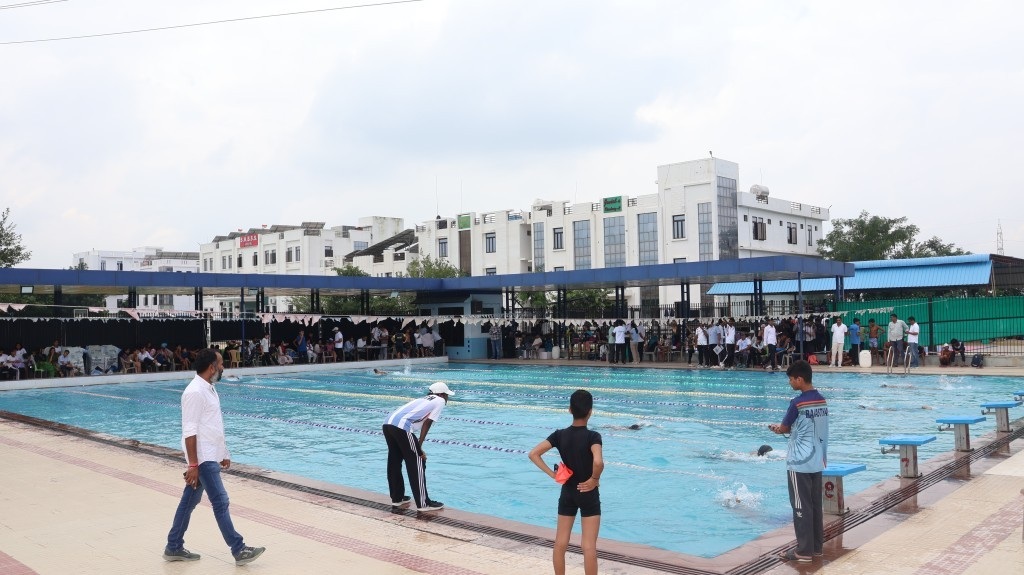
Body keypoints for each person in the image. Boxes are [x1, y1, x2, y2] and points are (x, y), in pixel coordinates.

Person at [163, 349, 265, 566]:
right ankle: (238, 549)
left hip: (209, 454)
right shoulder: (194, 392)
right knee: (220, 501)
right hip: (202, 459)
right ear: (211, 367)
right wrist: (193, 464)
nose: (223, 367)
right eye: (221, 364)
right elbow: (190, 431)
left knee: (188, 502)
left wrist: (223, 453)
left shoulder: (209, 389)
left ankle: (173, 546)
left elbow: (212, 426)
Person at [528, 389, 603, 575]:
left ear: (570, 410)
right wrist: (594, 479)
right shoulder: (593, 437)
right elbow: (598, 462)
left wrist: (552, 475)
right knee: (588, 546)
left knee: (560, 543)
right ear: (590, 412)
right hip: (588, 493)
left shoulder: (559, 435)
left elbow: (533, 454)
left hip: (568, 492)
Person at [769, 360, 828, 563]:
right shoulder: (822, 400)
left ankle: (803, 551)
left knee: (801, 506)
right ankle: (816, 548)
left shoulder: (797, 403)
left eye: (791, 379)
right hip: (817, 460)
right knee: (815, 506)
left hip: (799, 462)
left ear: (800, 379)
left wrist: (777, 429)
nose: (790, 383)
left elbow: (785, 428)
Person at [382, 382, 453, 512]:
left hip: (387, 424)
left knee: (394, 461)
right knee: (418, 460)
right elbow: (427, 423)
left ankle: (397, 498)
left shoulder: (423, 399)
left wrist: (417, 448)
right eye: (447, 395)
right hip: (402, 427)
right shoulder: (440, 400)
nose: (447, 398)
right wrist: (419, 447)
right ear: (442, 394)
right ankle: (423, 503)